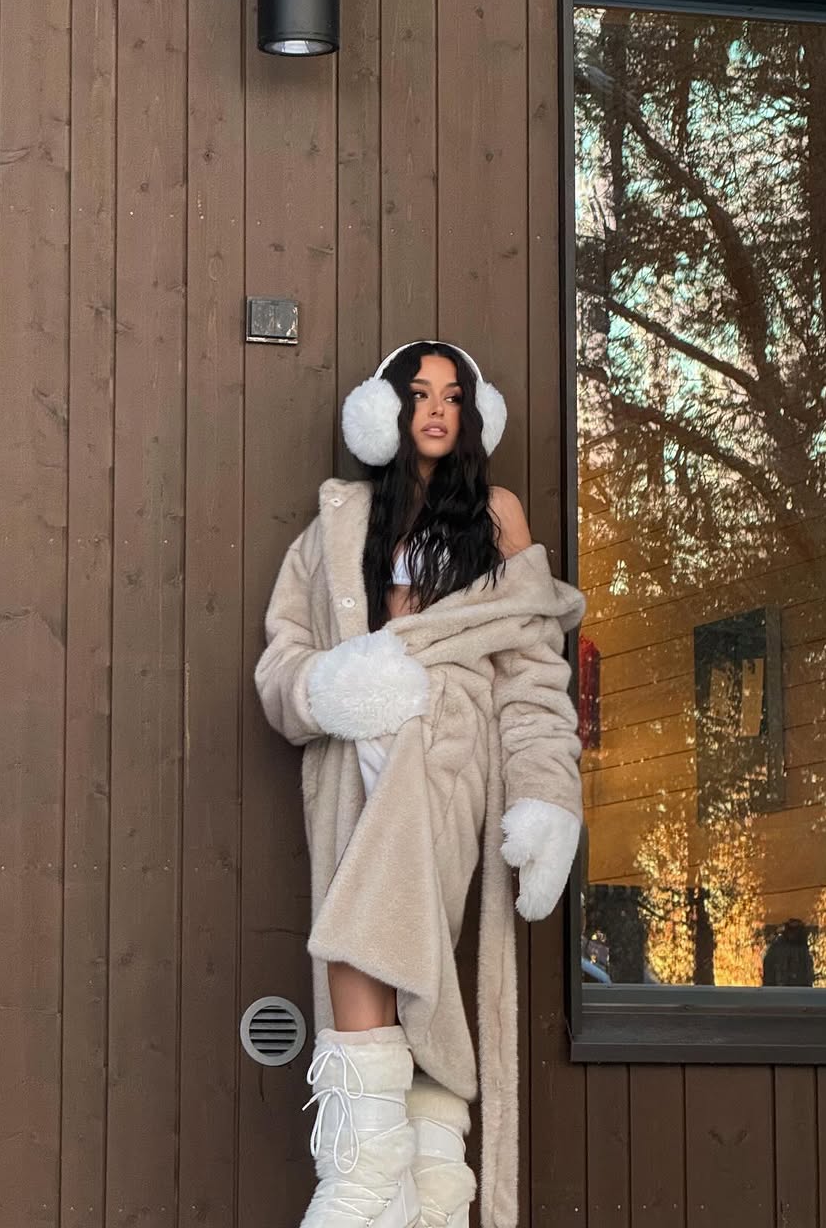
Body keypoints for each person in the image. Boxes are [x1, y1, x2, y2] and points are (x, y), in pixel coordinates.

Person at [255, 341, 586, 1228]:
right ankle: (431, 1191)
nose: (436, 409)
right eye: (418, 394)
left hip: (440, 755)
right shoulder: (335, 527)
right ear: (385, 413)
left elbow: (533, 674)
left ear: (473, 416)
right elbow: (282, 666)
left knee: (365, 942)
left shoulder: (497, 514)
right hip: (352, 764)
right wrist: (332, 687)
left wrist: (547, 796)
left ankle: (364, 1184)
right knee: (412, 966)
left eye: (453, 396)